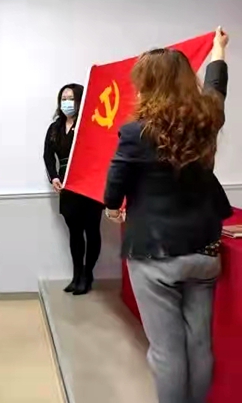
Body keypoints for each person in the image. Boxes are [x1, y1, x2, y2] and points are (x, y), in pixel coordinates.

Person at [104, 27, 230, 403]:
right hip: (204, 252)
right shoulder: (208, 118)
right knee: (199, 345)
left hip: (155, 254)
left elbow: (115, 186)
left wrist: (112, 207)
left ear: (149, 84)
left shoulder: (135, 132)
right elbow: (217, 86)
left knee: (166, 351)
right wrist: (219, 49)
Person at [44, 84, 104, 295]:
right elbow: (47, 156)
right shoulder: (54, 128)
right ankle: (77, 275)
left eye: (71, 98)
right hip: (67, 185)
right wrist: (54, 177)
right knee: (75, 232)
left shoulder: (90, 124)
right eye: (63, 98)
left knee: (92, 230)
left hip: (89, 185)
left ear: (80, 100)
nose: (66, 102)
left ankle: (88, 274)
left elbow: (100, 153)